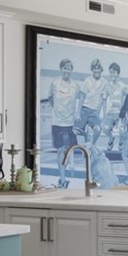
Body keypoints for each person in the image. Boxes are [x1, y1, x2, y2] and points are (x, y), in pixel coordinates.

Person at [47, 58, 80, 188]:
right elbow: (50, 97)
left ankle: (68, 171)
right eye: (64, 68)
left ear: (71, 70)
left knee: (69, 150)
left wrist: (77, 113)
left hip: (70, 122)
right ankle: (62, 179)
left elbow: (80, 100)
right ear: (61, 69)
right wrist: (56, 109)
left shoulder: (75, 86)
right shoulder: (54, 83)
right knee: (60, 150)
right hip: (57, 122)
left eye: (69, 68)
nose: (67, 70)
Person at [74, 58, 106, 146]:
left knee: (98, 129)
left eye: (98, 68)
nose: (96, 70)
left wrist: (99, 113)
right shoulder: (87, 81)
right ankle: (85, 137)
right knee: (75, 131)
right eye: (94, 68)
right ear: (92, 69)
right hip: (84, 109)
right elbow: (82, 96)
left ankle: (92, 145)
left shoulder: (104, 82)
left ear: (101, 69)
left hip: (94, 112)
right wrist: (78, 113)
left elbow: (102, 99)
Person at [100, 62, 128, 151]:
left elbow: (127, 100)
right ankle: (111, 138)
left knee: (122, 130)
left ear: (118, 73)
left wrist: (123, 112)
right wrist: (104, 114)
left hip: (120, 113)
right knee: (104, 128)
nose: (112, 74)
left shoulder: (123, 86)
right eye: (110, 72)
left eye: (114, 72)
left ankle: (121, 141)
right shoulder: (108, 85)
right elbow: (104, 99)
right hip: (111, 113)